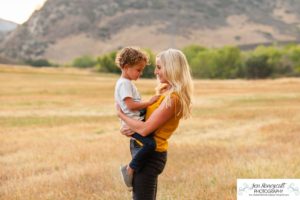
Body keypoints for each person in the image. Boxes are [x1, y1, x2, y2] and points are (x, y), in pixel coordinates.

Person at [117, 48, 193, 199]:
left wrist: (121, 116)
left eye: (159, 67)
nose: (155, 72)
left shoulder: (173, 99)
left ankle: (129, 170)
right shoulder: (164, 91)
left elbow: (145, 130)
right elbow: (145, 122)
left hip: (151, 155)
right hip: (143, 150)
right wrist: (130, 128)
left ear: (172, 68)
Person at [114, 47, 160, 189]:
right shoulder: (124, 84)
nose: (140, 73)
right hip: (132, 125)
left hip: (135, 123)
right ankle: (129, 169)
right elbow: (131, 105)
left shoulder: (126, 83)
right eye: (138, 70)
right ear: (126, 67)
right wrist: (149, 102)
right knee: (150, 144)